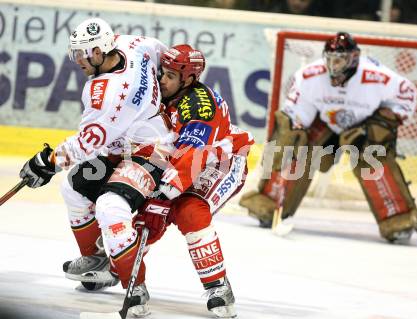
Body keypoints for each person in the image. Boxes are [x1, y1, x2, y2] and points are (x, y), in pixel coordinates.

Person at [19, 17, 172, 317]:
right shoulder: (134, 43)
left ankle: (135, 284)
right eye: (75, 53)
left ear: (101, 52)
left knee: (110, 206)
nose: (77, 61)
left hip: (153, 153)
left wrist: (47, 162)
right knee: (74, 185)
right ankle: (98, 261)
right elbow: (162, 54)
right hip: (121, 148)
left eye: (82, 54)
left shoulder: (105, 94)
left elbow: (85, 144)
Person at [239, 32, 417, 243]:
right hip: (324, 120)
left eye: (340, 59)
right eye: (330, 59)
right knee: (296, 146)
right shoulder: (309, 76)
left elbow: (407, 94)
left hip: (363, 125)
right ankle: (271, 203)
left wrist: (382, 124)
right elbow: (296, 114)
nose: (334, 66)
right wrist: (292, 133)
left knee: (372, 156)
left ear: (354, 57)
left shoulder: (378, 77)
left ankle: (397, 218)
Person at [134, 44, 254, 318]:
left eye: (171, 76)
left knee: (188, 210)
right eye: (162, 72)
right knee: (145, 216)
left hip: (221, 161)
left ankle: (218, 286)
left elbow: (191, 158)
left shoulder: (198, 106)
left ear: (188, 79)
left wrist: (163, 198)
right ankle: (121, 264)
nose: (162, 79)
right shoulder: (160, 91)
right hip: (181, 159)